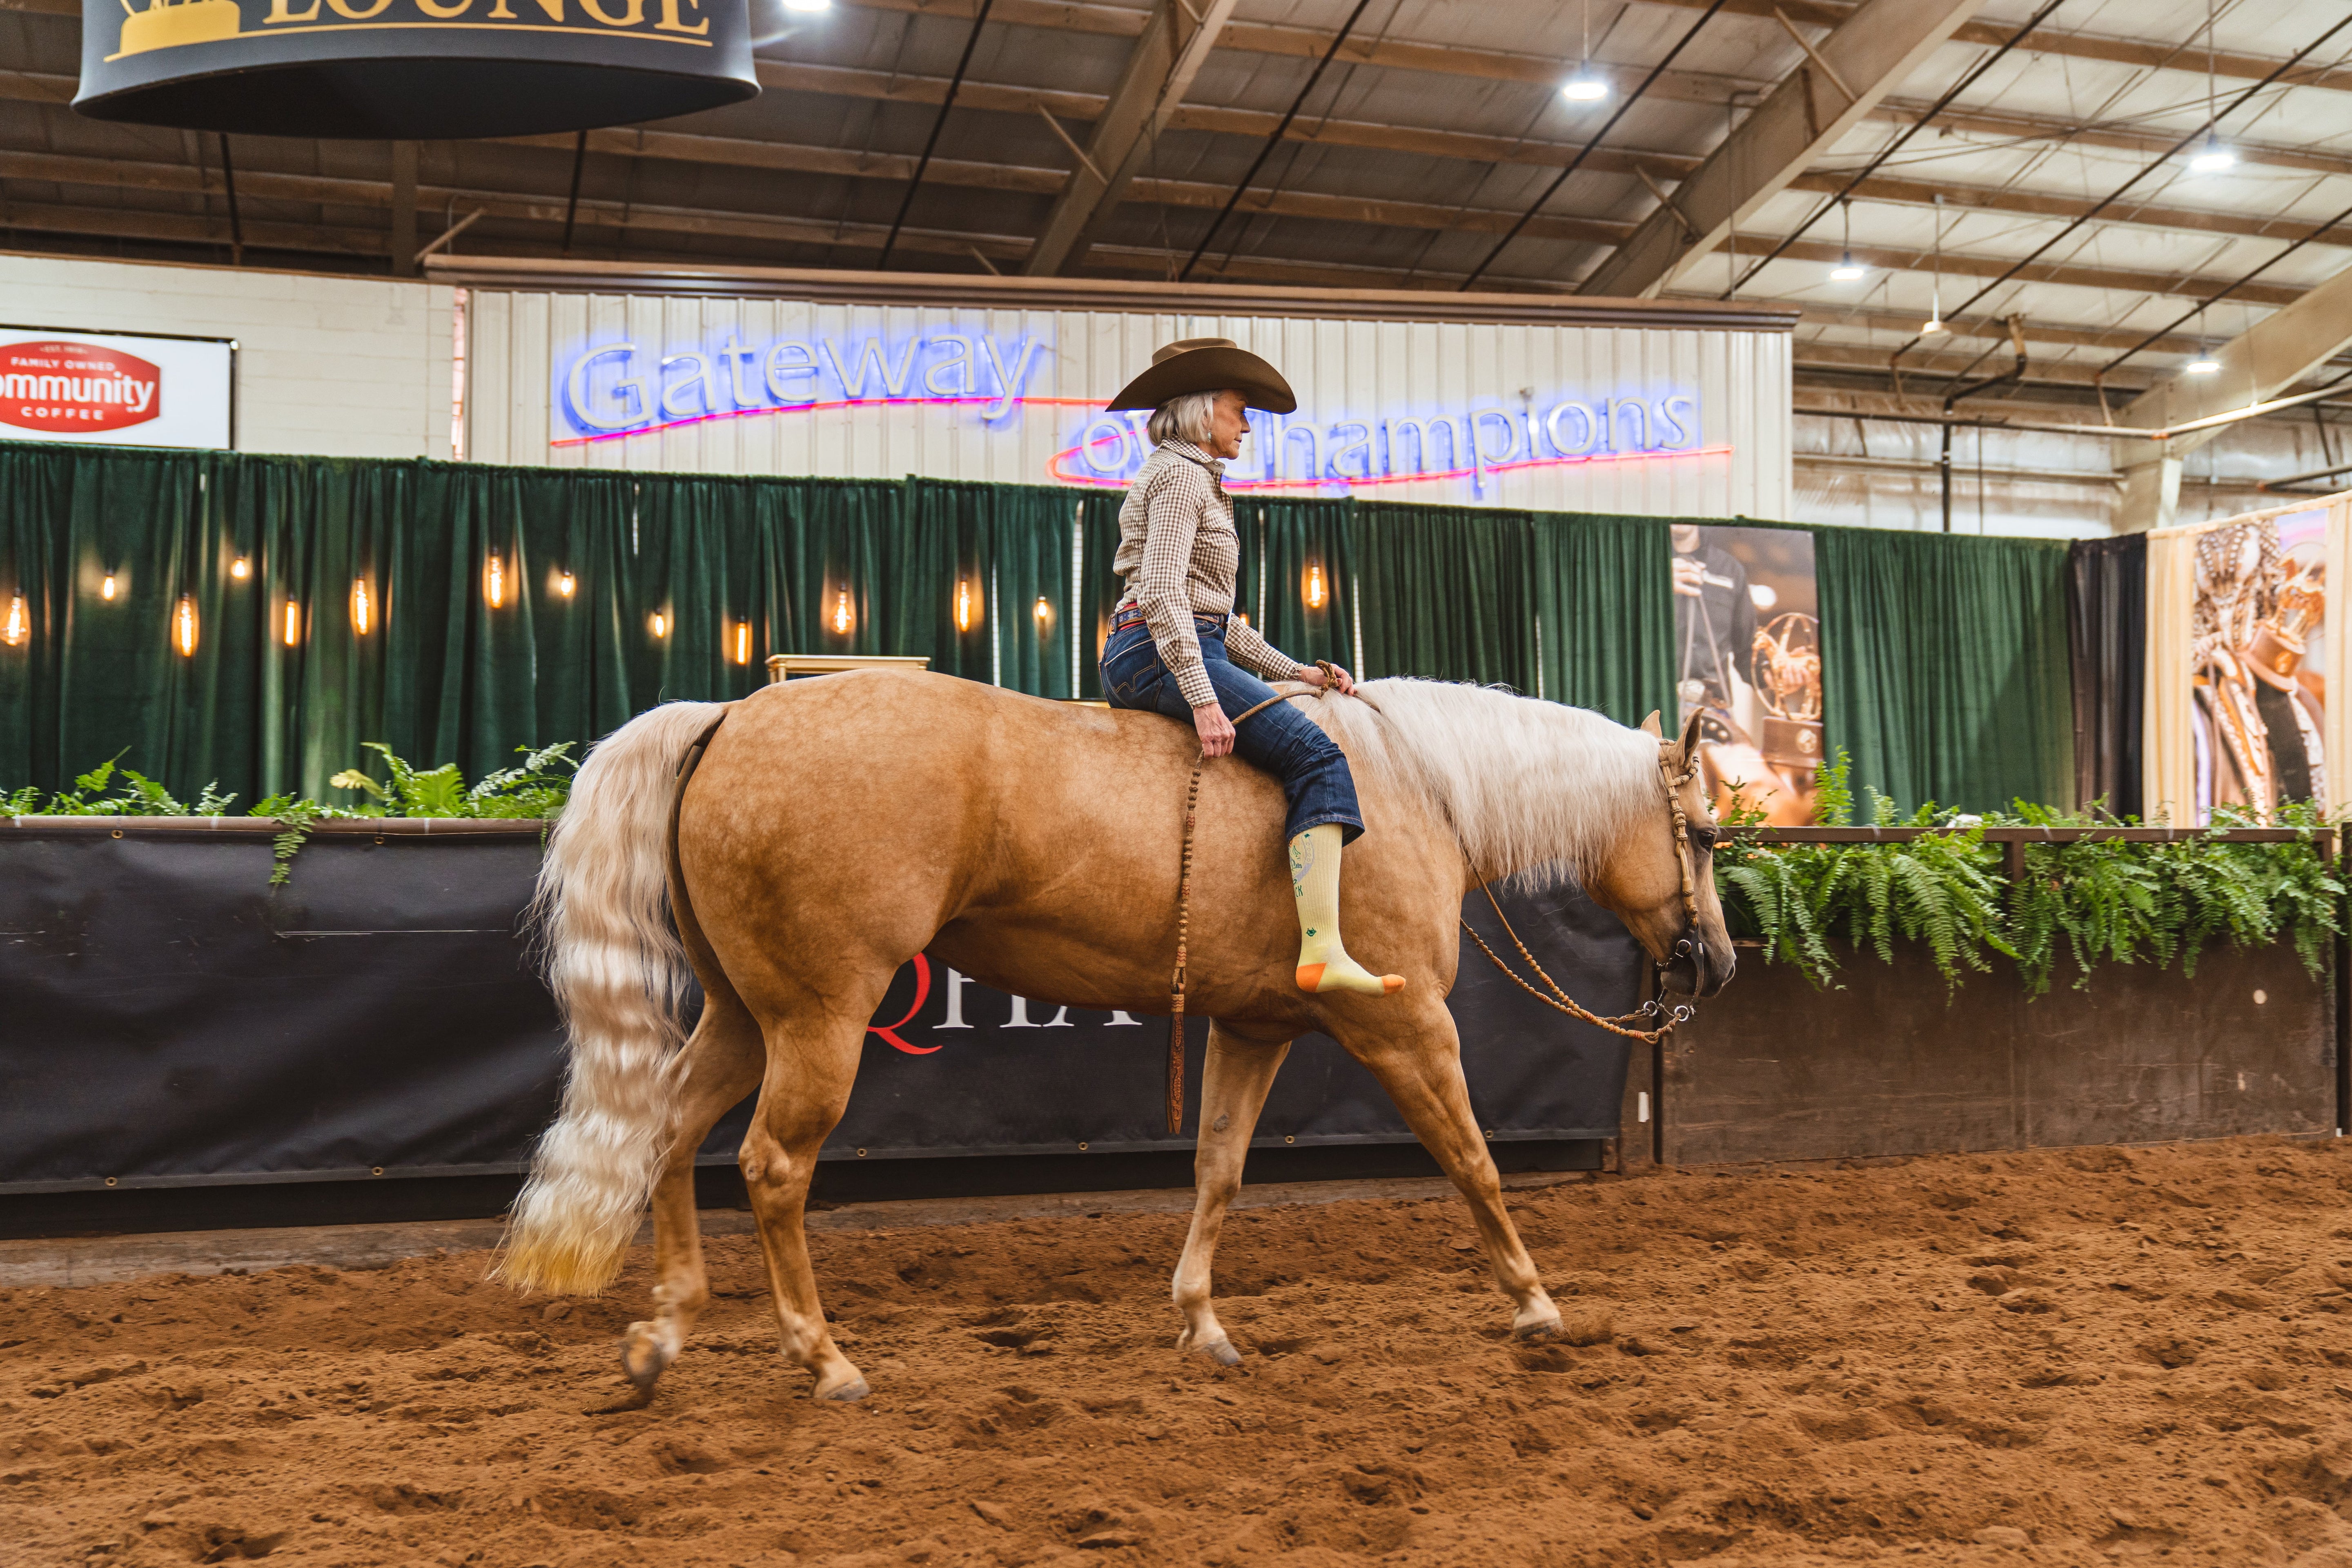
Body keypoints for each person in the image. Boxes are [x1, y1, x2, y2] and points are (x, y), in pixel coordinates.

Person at [1098, 337, 1402, 998]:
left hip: (1166, 643)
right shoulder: (1182, 477)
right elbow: (1164, 592)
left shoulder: (1187, 475)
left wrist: (1298, 672)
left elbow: (1216, 619)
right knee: (1318, 757)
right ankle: (1322, 948)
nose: (1248, 424)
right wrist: (1202, 697)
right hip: (1158, 649)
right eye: (1239, 409)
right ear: (1202, 410)